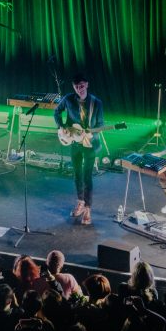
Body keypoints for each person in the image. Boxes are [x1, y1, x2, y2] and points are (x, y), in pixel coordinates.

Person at [54, 73, 104, 225]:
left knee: (87, 176)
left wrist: (91, 132)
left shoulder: (96, 103)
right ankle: (80, 202)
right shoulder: (68, 99)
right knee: (77, 174)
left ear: (87, 84)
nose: (79, 89)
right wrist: (62, 127)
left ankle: (88, 208)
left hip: (89, 144)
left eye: (81, 86)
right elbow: (56, 111)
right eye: (76, 87)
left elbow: (100, 125)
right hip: (74, 143)